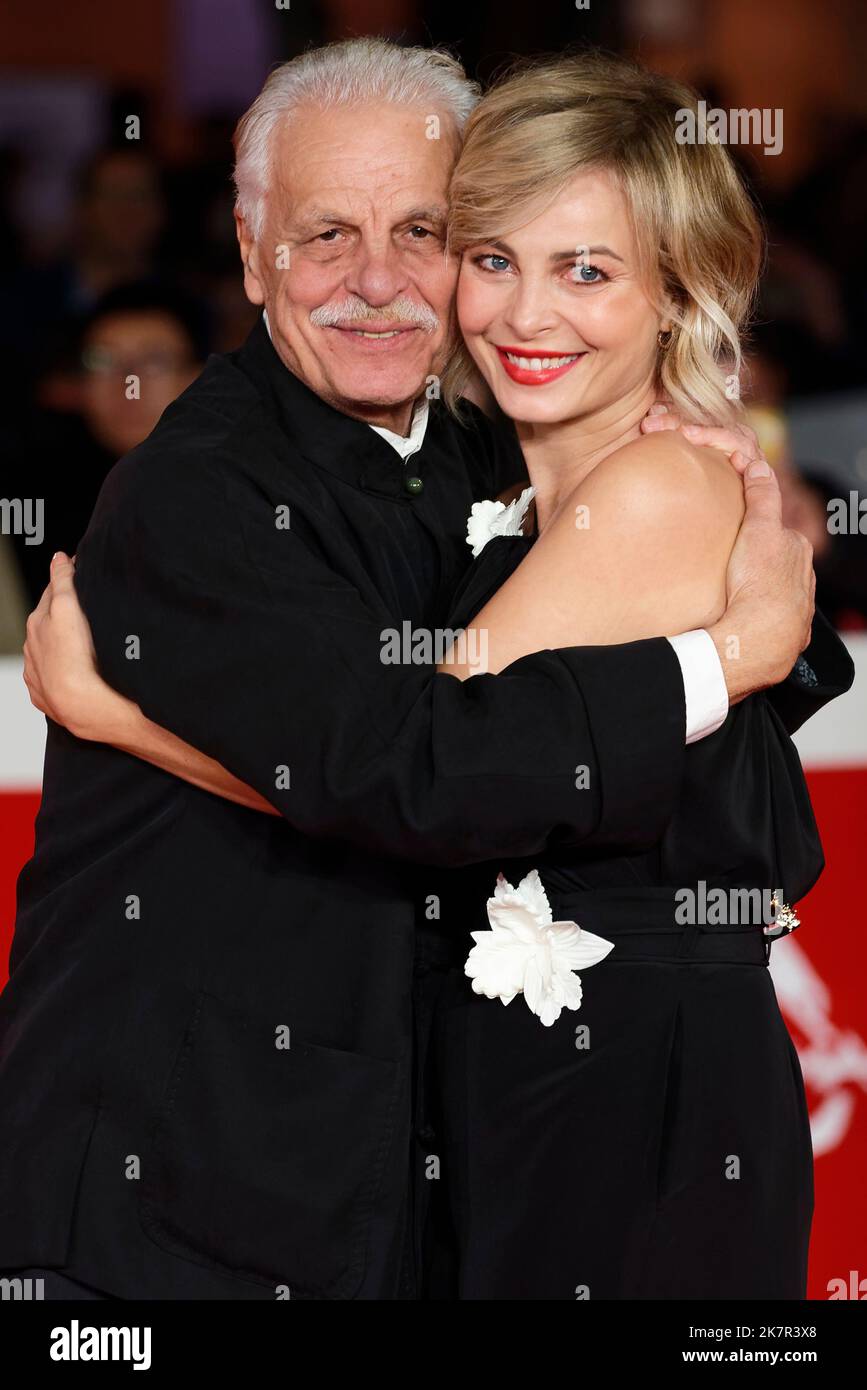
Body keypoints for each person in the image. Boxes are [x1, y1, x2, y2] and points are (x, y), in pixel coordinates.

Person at [4, 40, 817, 1302]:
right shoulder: (203, 486)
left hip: (541, 1129)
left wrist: (119, 717)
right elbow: (410, 769)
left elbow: (432, 758)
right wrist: (720, 659)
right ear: (251, 244)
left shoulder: (523, 447)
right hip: (168, 1192)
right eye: (326, 233)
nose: (377, 282)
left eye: (429, 234)